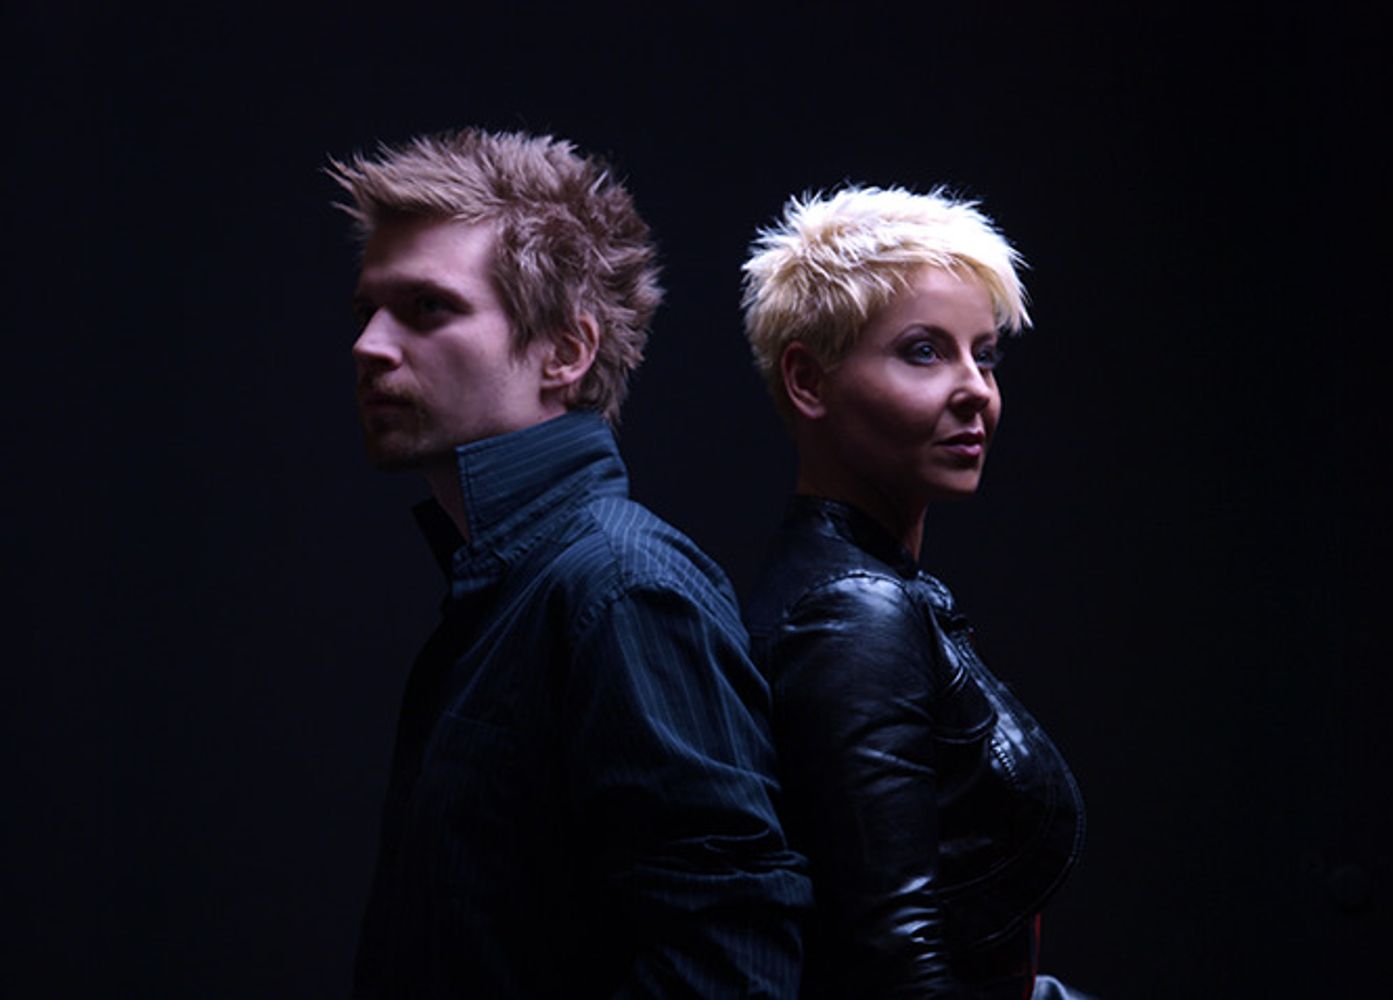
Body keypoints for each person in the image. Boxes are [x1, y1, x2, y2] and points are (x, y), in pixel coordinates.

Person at [331, 128, 810, 998]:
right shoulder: (508, 589)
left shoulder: (621, 590)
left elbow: (729, 967)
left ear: (565, 351)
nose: (369, 345)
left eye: (427, 308)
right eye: (367, 310)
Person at [739, 187, 1092, 999]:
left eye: (984, 355)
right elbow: (893, 966)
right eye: (925, 352)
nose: (975, 390)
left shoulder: (855, 587)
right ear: (807, 381)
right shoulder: (851, 612)